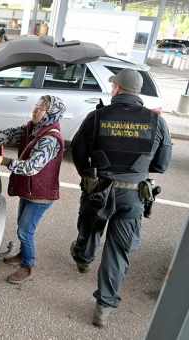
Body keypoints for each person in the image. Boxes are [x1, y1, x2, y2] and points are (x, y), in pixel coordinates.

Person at [69, 69, 172, 328]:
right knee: (117, 251)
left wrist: (88, 177)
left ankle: (83, 259)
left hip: (99, 189)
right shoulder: (156, 122)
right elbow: (161, 165)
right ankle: (103, 307)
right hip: (134, 195)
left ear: (117, 89)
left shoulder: (96, 117)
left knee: (91, 227)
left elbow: (78, 152)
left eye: (113, 85)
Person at [0, 95, 67, 284]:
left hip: (41, 195)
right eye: (37, 105)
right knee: (22, 226)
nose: (36, 109)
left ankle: (28, 266)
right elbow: (13, 134)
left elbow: (32, 167)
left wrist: (3, 161)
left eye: (42, 108)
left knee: (25, 231)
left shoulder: (50, 139)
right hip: (29, 190)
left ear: (51, 113)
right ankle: (21, 255)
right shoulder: (33, 128)